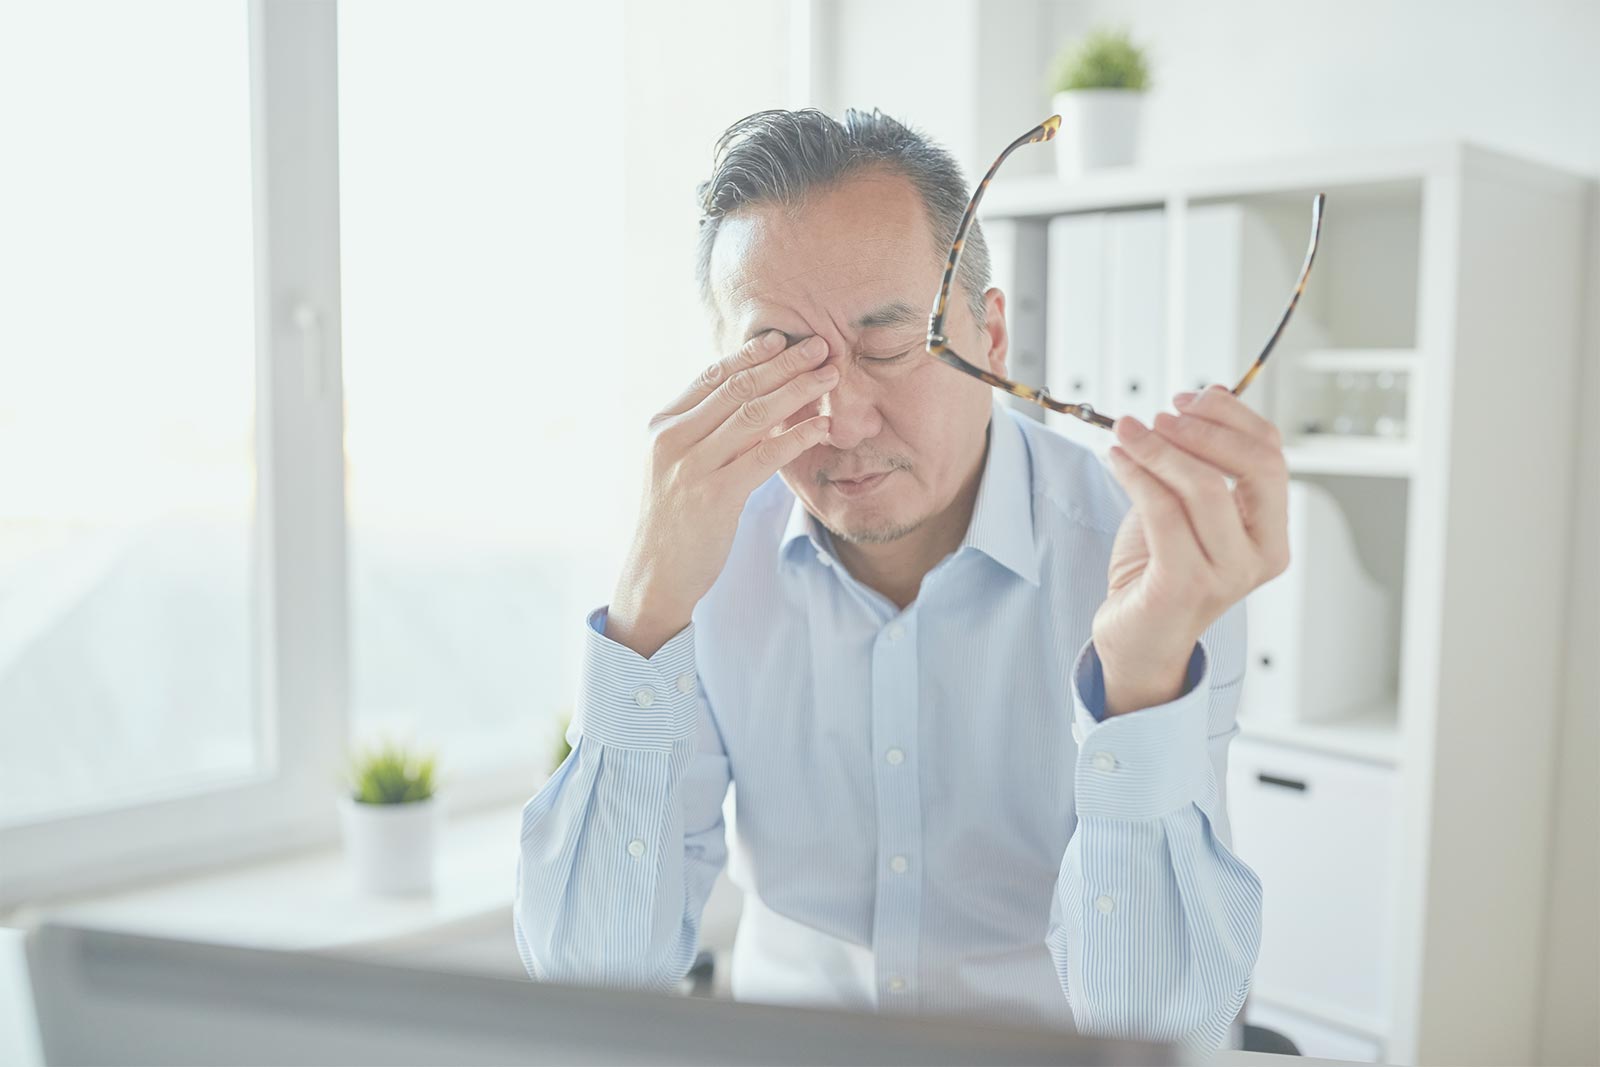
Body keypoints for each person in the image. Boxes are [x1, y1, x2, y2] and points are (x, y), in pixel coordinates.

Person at [514, 107, 1287, 1051]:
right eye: (779, 361)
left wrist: (1137, 678)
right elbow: (591, 980)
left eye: (887, 344)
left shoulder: (1152, 567)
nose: (839, 419)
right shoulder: (702, 558)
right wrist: (645, 613)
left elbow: (1159, 1022)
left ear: (992, 337)